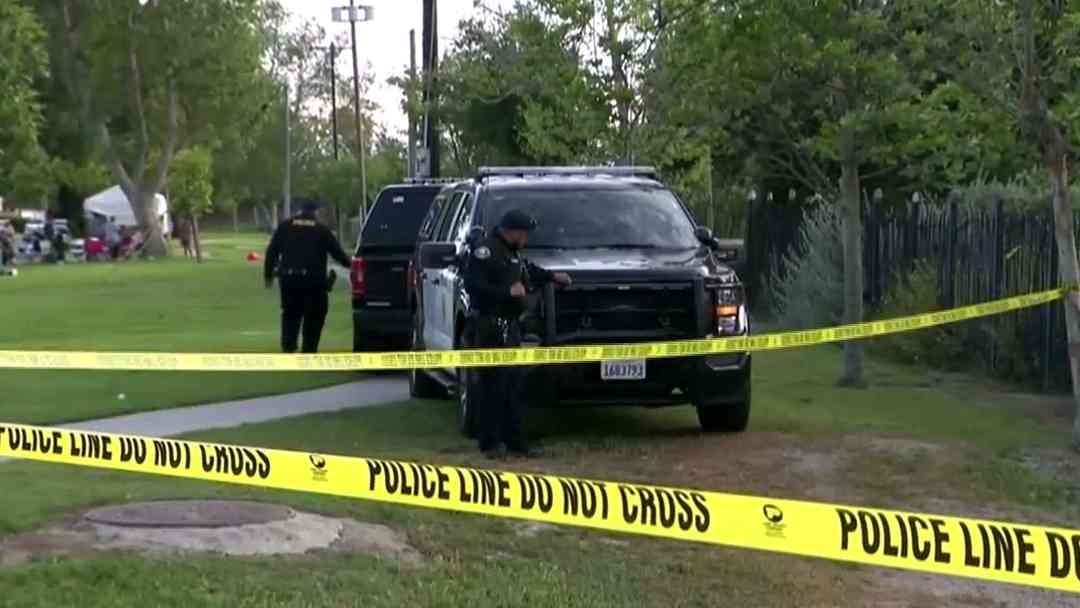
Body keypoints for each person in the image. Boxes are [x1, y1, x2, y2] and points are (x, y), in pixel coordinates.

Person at [463, 209, 571, 459]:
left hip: (509, 325)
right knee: (493, 385)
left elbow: (528, 271)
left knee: (511, 384)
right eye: (524, 234)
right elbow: (473, 285)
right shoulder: (486, 251)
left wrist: (553, 277)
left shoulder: (512, 254)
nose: (527, 239)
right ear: (511, 231)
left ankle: (514, 440)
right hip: (489, 325)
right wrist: (505, 292)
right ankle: (490, 443)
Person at [263, 200, 351, 354]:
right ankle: (308, 350)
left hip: (289, 280)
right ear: (315, 212)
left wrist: (268, 275)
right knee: (315, 316)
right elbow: (338, 254)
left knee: (290, 314)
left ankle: (289, 347)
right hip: (314, 282)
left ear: (300, 211)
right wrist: (352, 265)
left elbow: (272, 251)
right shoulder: (321, 230)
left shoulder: (285, 226)